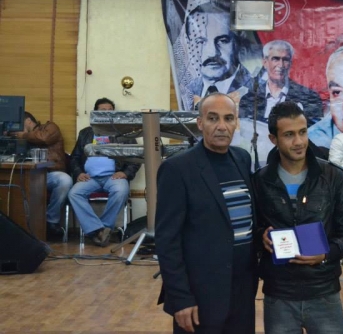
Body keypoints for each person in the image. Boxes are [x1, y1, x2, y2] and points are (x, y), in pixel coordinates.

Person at [155, 93, 257, 334]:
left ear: (236, 122)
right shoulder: (177, 169)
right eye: (213, 118)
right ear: (200, 123)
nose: (221, 126)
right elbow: (167, 241)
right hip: (200, 295)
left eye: (228, 118)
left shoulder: (242, 159)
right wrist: (181, 298)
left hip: (242, 292)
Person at [254, 101, 343, 334]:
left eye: (302, 132)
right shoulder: (260, 181)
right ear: (273, 139)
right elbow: (252, 230)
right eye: (289, 135)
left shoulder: (333, 177)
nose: (299, 141)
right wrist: (261, 236)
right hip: (279, 294)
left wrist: (326, 254)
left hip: (324, 291)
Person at [68, 98, 140, 247]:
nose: (107, 113)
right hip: (89, 178)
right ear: (96, 113)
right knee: (74, 193)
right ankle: (99, 230)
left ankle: (102, 228)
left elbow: (136, 157)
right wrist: (78, 173)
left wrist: (125, 173)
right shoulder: (85, 133)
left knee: (121, 190)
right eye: (103, 111)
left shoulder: (123, 133)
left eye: (110, 111)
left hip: (113, 177)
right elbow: (74, 158)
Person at [172, 0, 254, 110]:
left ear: (237, 43)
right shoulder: (189, 89)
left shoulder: (256, 89)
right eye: (201, 42)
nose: (212, 53)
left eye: (222, 41)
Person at [10, 112, 72, 238]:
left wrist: (24, 135)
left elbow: (44, 138)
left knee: (65, 180)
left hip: (49, 174)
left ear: (28, 121)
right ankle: (16, 225)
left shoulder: (50, 127)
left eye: (19, 124)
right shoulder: (16, 136)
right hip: (25, 175)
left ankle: (51, 221)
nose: (17, 129)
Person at [239, 40, 323, 125]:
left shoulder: (308, 98)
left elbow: (314, 130)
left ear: (290, 63)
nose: (281, 65)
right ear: (265, 62)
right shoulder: (248, 100)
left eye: (285, 60)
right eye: (275, 59)